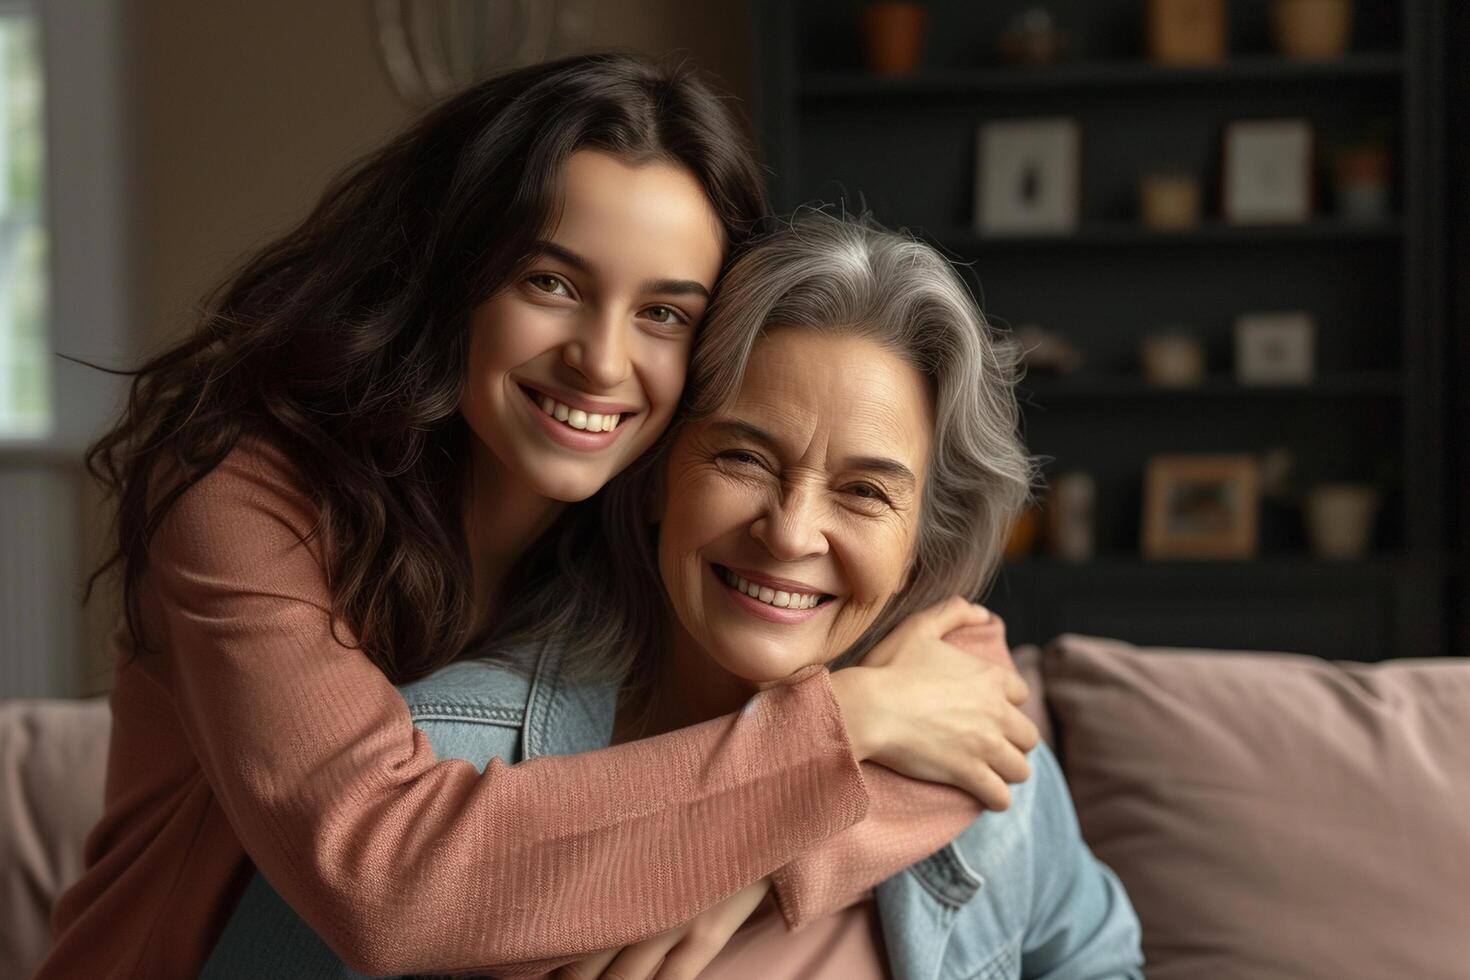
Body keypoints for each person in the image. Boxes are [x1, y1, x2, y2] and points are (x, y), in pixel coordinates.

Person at [39, 55, 1032, 979]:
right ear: (452, 276)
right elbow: (382, 878)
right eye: (552, 283)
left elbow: (965, 682)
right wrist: (842, 727)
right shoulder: (247, 496)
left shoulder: (628, 488)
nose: (602, 360)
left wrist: (759, 864)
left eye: (665, 312)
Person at [205, 212, 1144, 979]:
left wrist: (776, 857)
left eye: (865, 491)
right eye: (743, 456)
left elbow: (1101, 961)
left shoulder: (969, 758)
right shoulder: (444, 755)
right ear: (656, 476)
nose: (789, 531)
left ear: (919, 545)